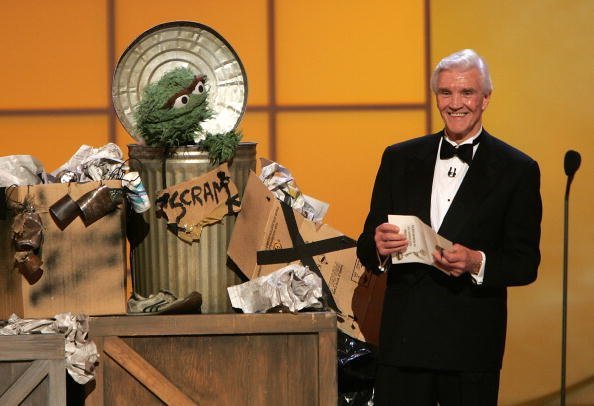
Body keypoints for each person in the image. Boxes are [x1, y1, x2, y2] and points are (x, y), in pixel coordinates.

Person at [356, 49, 542, 405]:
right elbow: (366, 246)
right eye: (446, 93)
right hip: (404, 345)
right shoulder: (397, 158)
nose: (456, 103)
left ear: (485, 98)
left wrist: (477, 262)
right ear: (436, 97)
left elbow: (525, 262)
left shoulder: (517, 169)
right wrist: (377, 246)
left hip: (470, 349)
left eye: (467, 93)